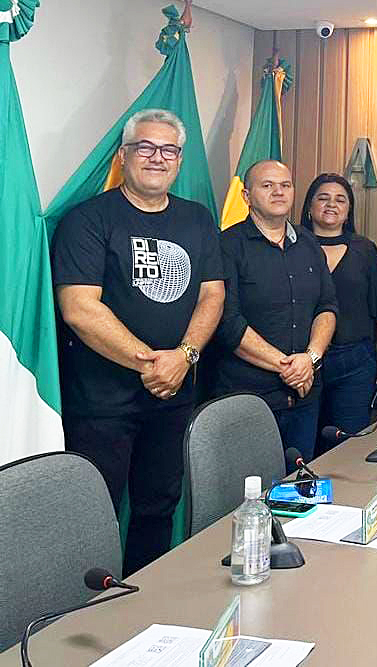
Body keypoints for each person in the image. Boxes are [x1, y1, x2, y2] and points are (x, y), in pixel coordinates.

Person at [52, 108, 225, 575]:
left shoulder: (197, 219)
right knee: (94, 515)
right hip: (102, 401)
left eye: (168, 150)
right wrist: (153, 364)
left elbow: (213, 294)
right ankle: (85, 621)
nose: (156, 157)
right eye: (145, 147)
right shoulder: (87, 220)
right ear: (124, 155)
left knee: (157, 508)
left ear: (179, 160)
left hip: (173, 396)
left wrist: (184, 357)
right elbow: (79, 309)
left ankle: (144, 608)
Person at [216, 160, 338, 463]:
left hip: (304, 397)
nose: (278, 192)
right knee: (247, 497)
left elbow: (327, 306)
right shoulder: (227, 245)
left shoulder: (309, 243)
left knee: (298, 494)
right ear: (246, 196)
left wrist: (310, 358)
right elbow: (227, 322)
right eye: (267, 185)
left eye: (285, 185)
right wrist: (289, 367)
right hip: (248, 399)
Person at [300, 173, 377, 444]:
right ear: (309, 206)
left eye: (340, 200)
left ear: (348, 210)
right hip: (302, 363)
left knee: (348, 445)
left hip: (355, 364)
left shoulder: (364, 250)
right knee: (305, 443)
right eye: (323, 198)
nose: (331, 204)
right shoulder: (292, 246)